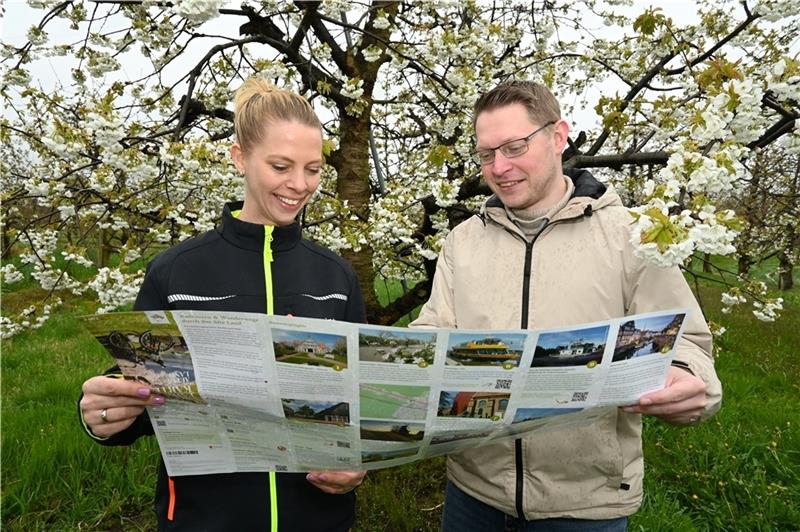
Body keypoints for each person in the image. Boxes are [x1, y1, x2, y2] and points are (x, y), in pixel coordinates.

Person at [410, 80, 722, 531]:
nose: (499, 167)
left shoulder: (632, 235)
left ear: (558, 137)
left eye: (514, 147)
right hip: (472, 492)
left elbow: (686, 343)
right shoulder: (463, 240)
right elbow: (435, 331)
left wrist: (689, 381)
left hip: (584, 503)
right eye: (486, 154)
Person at [78, 77, 367, 531]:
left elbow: (358, 404)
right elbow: (141, 396)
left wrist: (357, 467)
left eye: (313, 169)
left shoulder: (337, 279)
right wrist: (104, 414)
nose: (299, 185)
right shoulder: (175, 272)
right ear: (240, 158)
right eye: (280, 166)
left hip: (318, 520)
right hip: (204, 520)